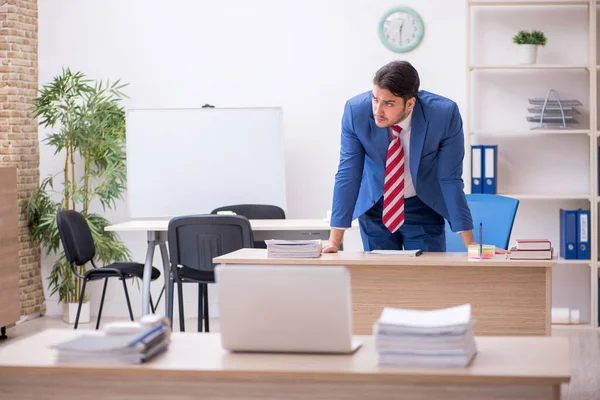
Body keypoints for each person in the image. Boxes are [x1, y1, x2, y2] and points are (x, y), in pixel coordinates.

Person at [323, 60, 505, 254]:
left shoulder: (444, 116)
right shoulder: (355, 112)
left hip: (422, 205)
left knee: (426, 279)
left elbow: (449, 179)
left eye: (388, 103)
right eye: (375, 99)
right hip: (376, 206)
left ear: (410, 103)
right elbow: (348, 174)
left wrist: (471, 243)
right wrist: (334, 241)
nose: (377, 111)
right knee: (381, 279)